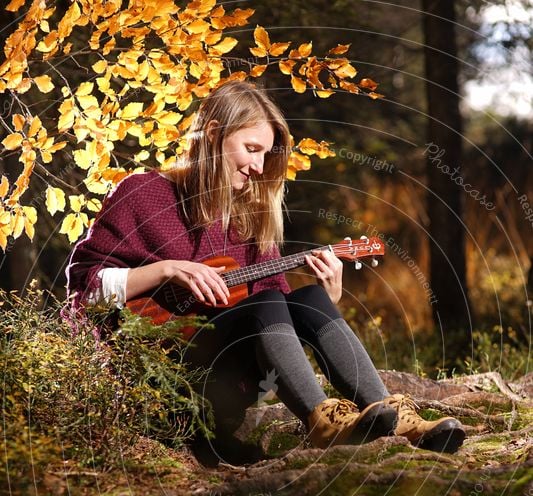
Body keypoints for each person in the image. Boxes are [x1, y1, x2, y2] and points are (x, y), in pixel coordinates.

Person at [66, 81, 465, 461]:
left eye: (265, 154)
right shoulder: (144, 193)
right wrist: (166, 270)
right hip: (161, 377)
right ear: (213, 134)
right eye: (251, 148)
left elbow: (279, 313)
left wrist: (331, 297)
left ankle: (395, 417)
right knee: (270, 300)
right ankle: (320, 421)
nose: (258, 166)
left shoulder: (251, 218)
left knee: (305, 297)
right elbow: (83, 289)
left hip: (229, 375)